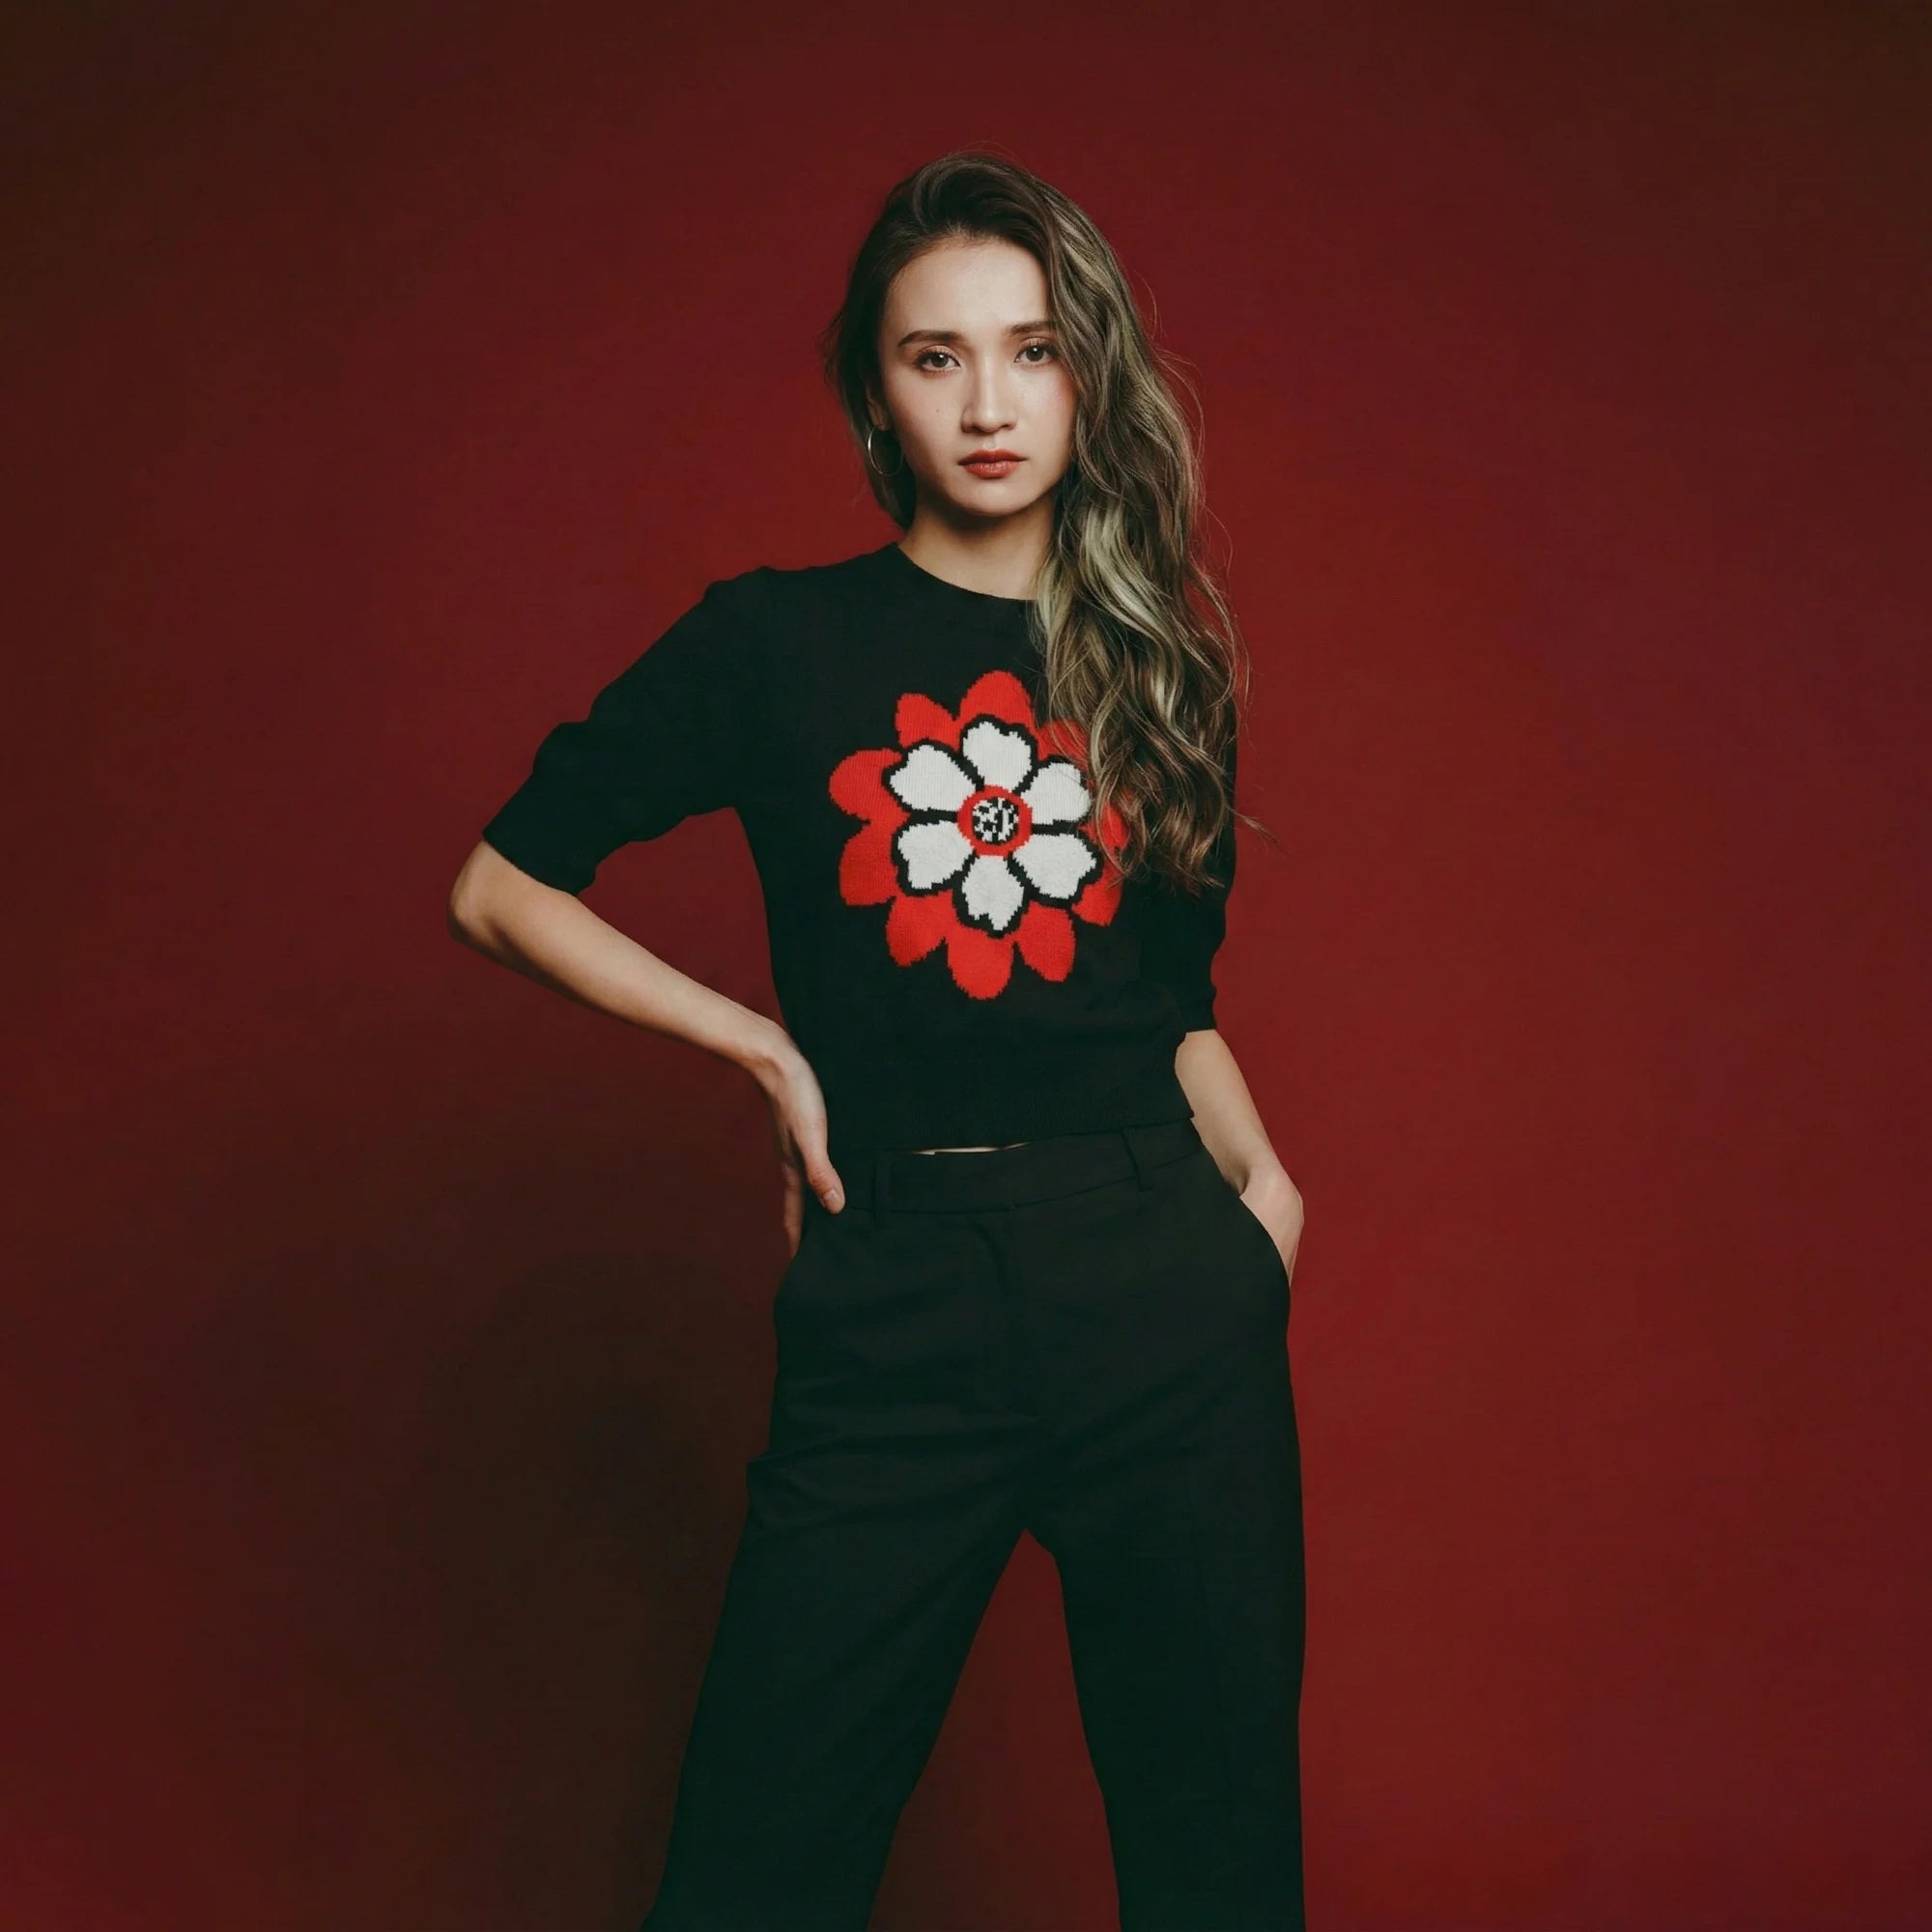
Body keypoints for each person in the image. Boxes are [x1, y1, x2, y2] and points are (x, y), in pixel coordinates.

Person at [447, 149, 1309, 1932]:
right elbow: (501, 886)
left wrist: (1265, 1204)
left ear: (1094, 373)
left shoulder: (1166, 670)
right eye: (937, 358)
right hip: (895, 1292)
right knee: (760, 1859)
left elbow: (1175, 1014)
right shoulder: (774, 642)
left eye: (1034, 348)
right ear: (874, 389)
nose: (990, 403)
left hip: (1164, 1283)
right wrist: (768, 1053)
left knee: (1215, 1856)